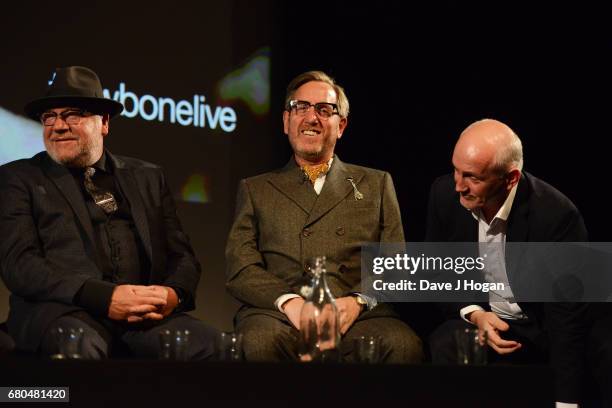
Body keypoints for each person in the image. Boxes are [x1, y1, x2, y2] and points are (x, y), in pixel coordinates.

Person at [0, 66, 218, 359]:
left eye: (73, 114)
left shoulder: (148, 177)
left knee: (214, 345)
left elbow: (182, 255)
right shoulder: (19, 178)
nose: (58, 125)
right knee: (79, 345)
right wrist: (104, 298)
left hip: (141, 319)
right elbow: (20, 265)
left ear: (103, 122)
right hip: (63, 313)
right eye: (49, 117)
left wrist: (173, 294)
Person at [225, 70, 423, 363]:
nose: (311, 117)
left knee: (402, 346)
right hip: (279, 314)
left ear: (340, 125)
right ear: (285, 121)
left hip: (358, 315)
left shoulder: (376, 183)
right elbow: (241, 267)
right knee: (258, 342)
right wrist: (290, 302)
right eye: (300, 107)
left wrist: (356, 301)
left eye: (324, 110)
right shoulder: (256, 188)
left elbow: (395, 264)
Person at [426, 119, 588, 406]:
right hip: (487, 321)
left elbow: (567, 316)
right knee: (445, 340)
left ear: (510, 178)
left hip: (543, 328)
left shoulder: (555, 216)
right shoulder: (443, 195)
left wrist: (566, 403)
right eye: (455, 170)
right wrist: (476, 314)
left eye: (472, 177)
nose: (458, 186)